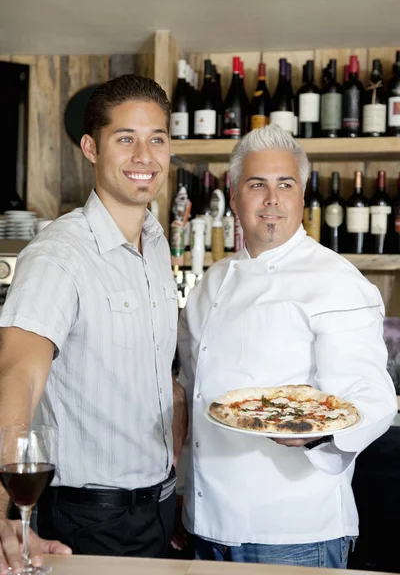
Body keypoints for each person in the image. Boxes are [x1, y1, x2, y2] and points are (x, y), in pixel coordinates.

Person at [177, 124, 397, 568]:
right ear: (235, 198)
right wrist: (184, 499)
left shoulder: (335, 281)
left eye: (286, 184)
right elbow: (193, 393)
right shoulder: (210, 283)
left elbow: (375, 398)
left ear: (301, 197)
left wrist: (316, 435)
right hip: (205, 525)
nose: (272, 199)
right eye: (257, 185)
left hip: (293, 532)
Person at [0, 74, 187, 573]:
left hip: (158, 508)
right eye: (125, 138)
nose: (144, 155)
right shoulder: (59, 255)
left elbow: (145, 366)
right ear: (90, 148)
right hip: (90, 520)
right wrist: (2, 507)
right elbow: (16, 374)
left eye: (157, 139)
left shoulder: (156, 243)